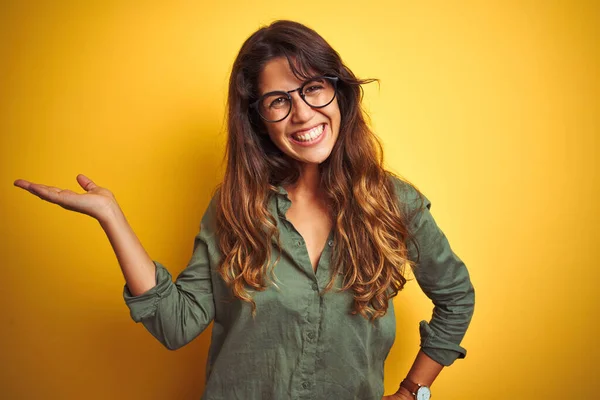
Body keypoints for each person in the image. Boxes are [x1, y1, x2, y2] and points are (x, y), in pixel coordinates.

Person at [14, 20, 474, 400]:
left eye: (313, 88)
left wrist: (415, 389)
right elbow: (175, 325)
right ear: (258, 119)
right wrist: (111, 217)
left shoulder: (394, 203)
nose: (302, 114)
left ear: (339, 93)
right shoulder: (235, 208)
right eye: (279, 101)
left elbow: (456, 297)